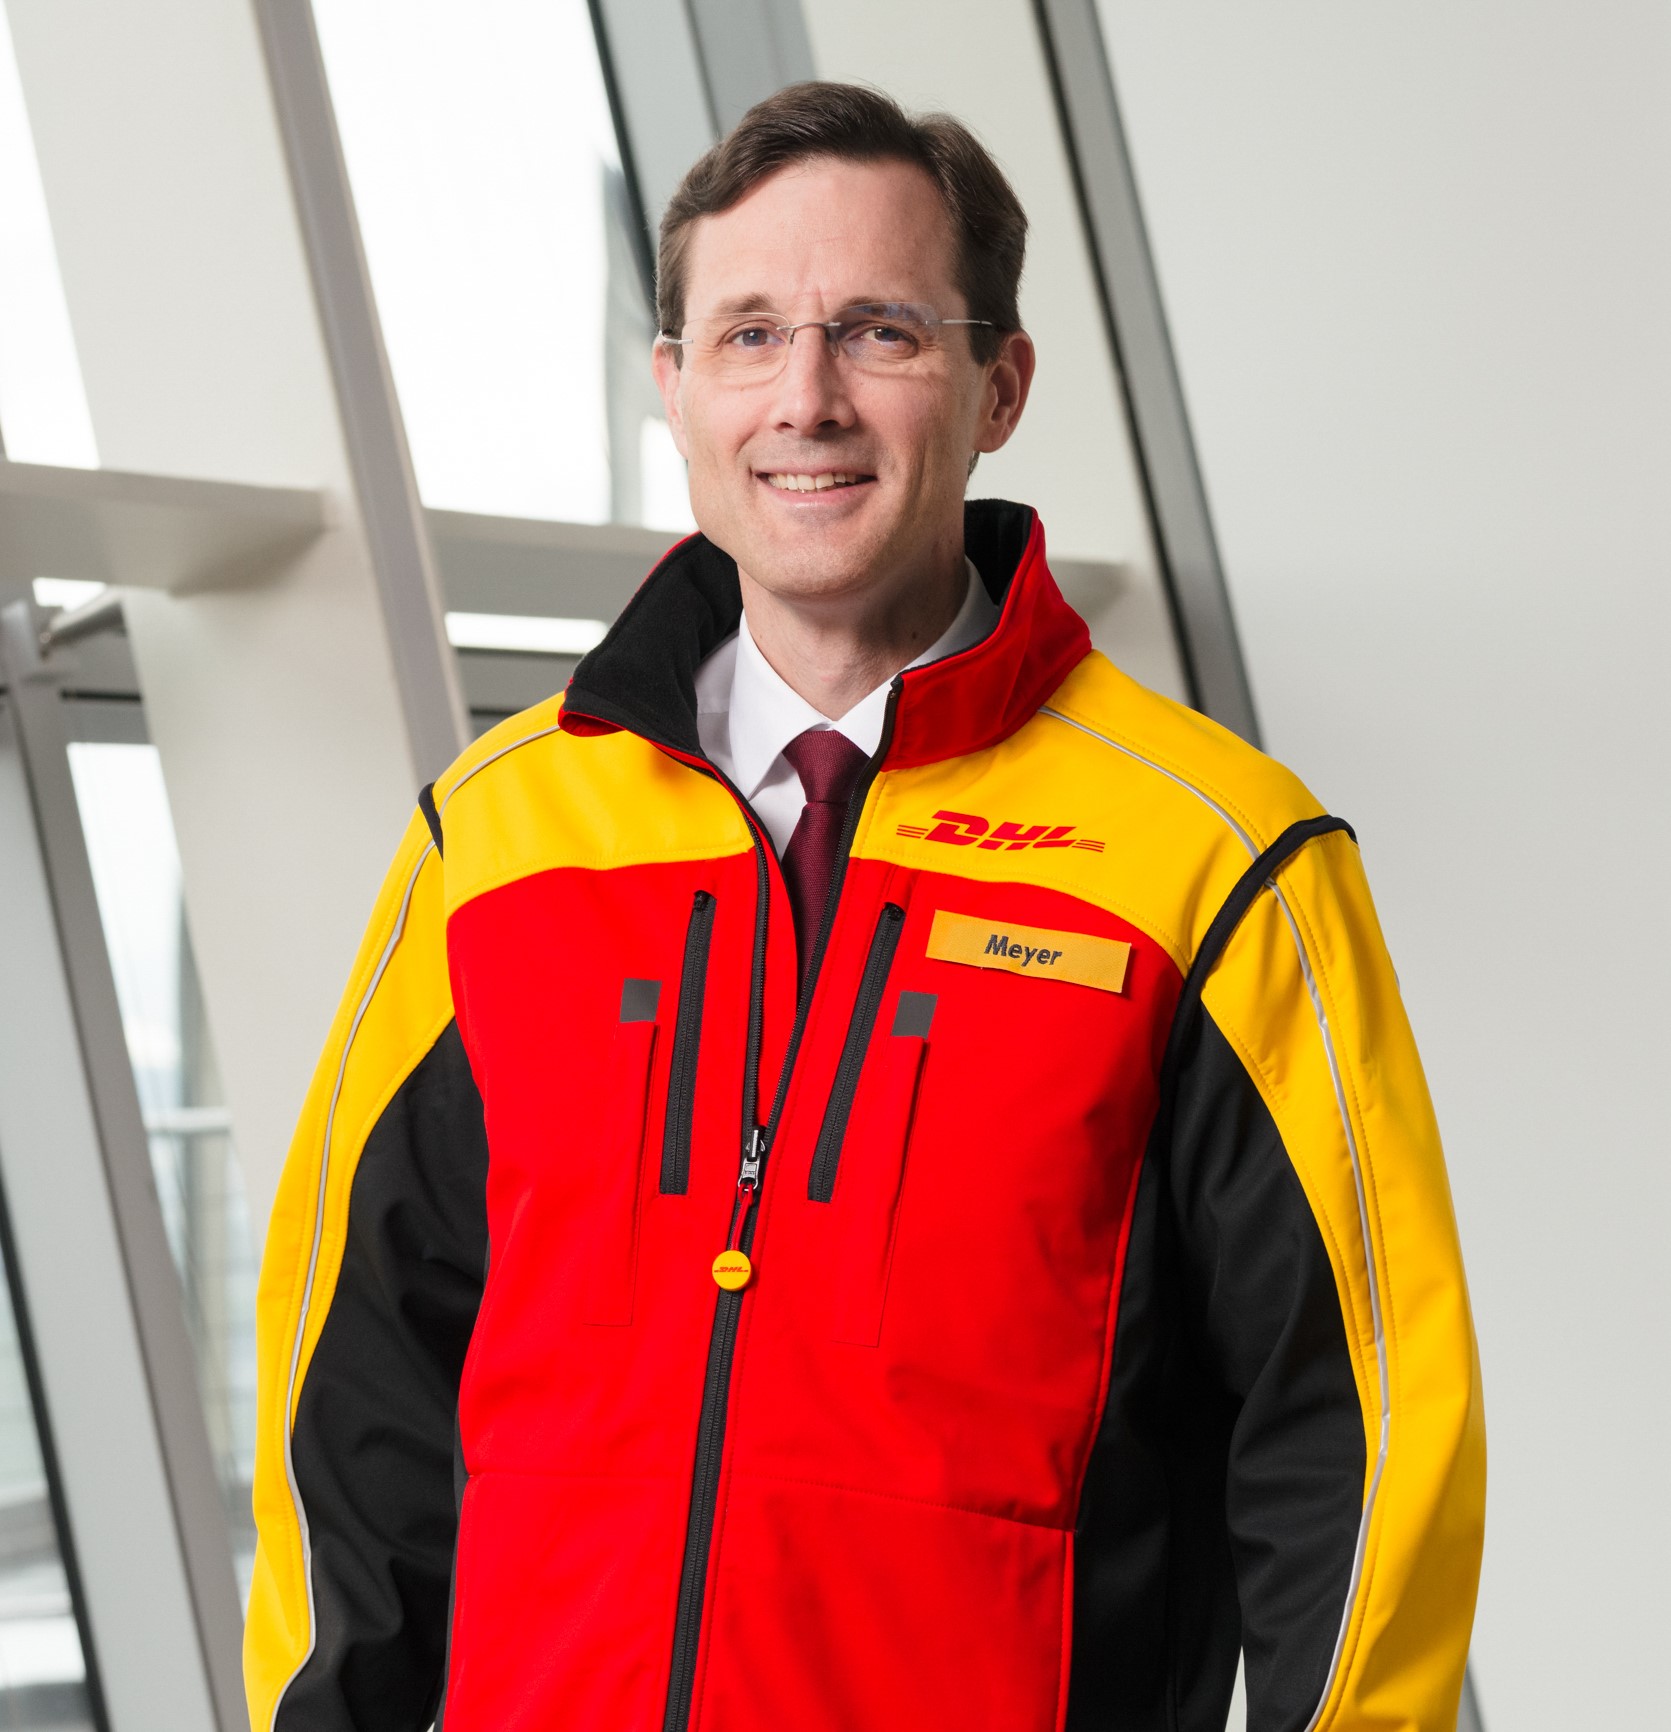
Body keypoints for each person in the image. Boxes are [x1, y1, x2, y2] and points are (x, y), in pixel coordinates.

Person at [243, 82, 1484, 1732]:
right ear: (677, 389)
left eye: (879, 332)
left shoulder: (1221, 858)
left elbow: (1362, 1434)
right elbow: (352, 1398)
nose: (806, 400)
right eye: (749, 335)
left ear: (999, 387)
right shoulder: (494, 839)